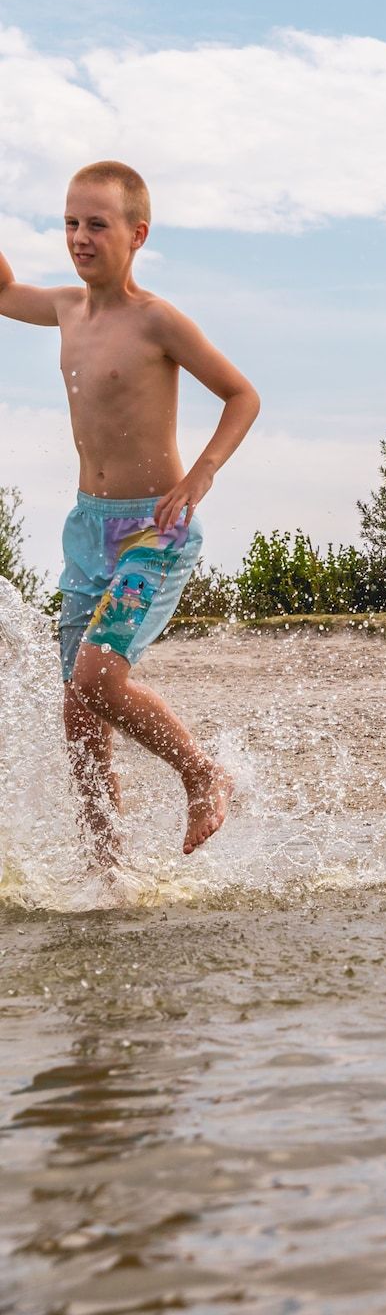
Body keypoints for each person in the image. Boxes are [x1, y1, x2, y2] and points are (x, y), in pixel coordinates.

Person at [0, 161, 259, 866]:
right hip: (88, 531)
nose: (80, 238)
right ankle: (105, 869)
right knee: (79, 714)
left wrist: (201, 476)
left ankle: (202, 772)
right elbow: (0, 291)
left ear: (137, 234)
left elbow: (242, 395)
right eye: (70, 224)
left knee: (97, 680)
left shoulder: (158, 321)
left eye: (97, 225)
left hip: (154, 532)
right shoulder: (61, 308)